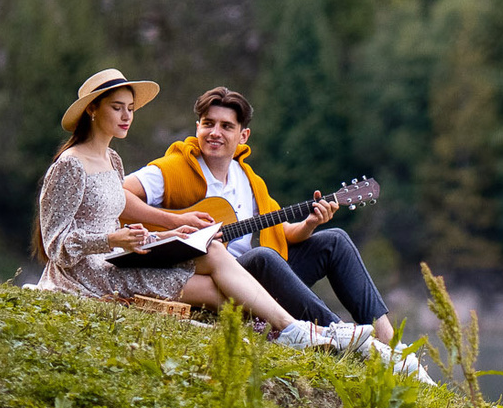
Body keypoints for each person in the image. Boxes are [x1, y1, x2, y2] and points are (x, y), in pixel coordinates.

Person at [33, 69, 333, 353]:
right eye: (117, 108)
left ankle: (295, 330)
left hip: (116, 261)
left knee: (213, 249)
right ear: (92, 110)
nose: (127, 116)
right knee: (217, 292)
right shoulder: (70, 165)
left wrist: (168, 233)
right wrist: (113, 241)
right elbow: (55, 246)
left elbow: (115, 226)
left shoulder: (113, 160)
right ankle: (296, 331)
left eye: (131, 108)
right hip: (88, 275)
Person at [124, 87, 416, 370]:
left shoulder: (248, 179)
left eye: (226, 126)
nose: (215, 133)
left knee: (335, 240)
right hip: (212, 273)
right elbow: (118, 195)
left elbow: (282, 232)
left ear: (243, 135)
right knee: (262, 257)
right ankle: (342, 335)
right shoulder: (175, 168)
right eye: (208, 124)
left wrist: (310, 223)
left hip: (258, 279)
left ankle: (394, 347)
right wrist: (175, 222)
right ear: (197, 126)